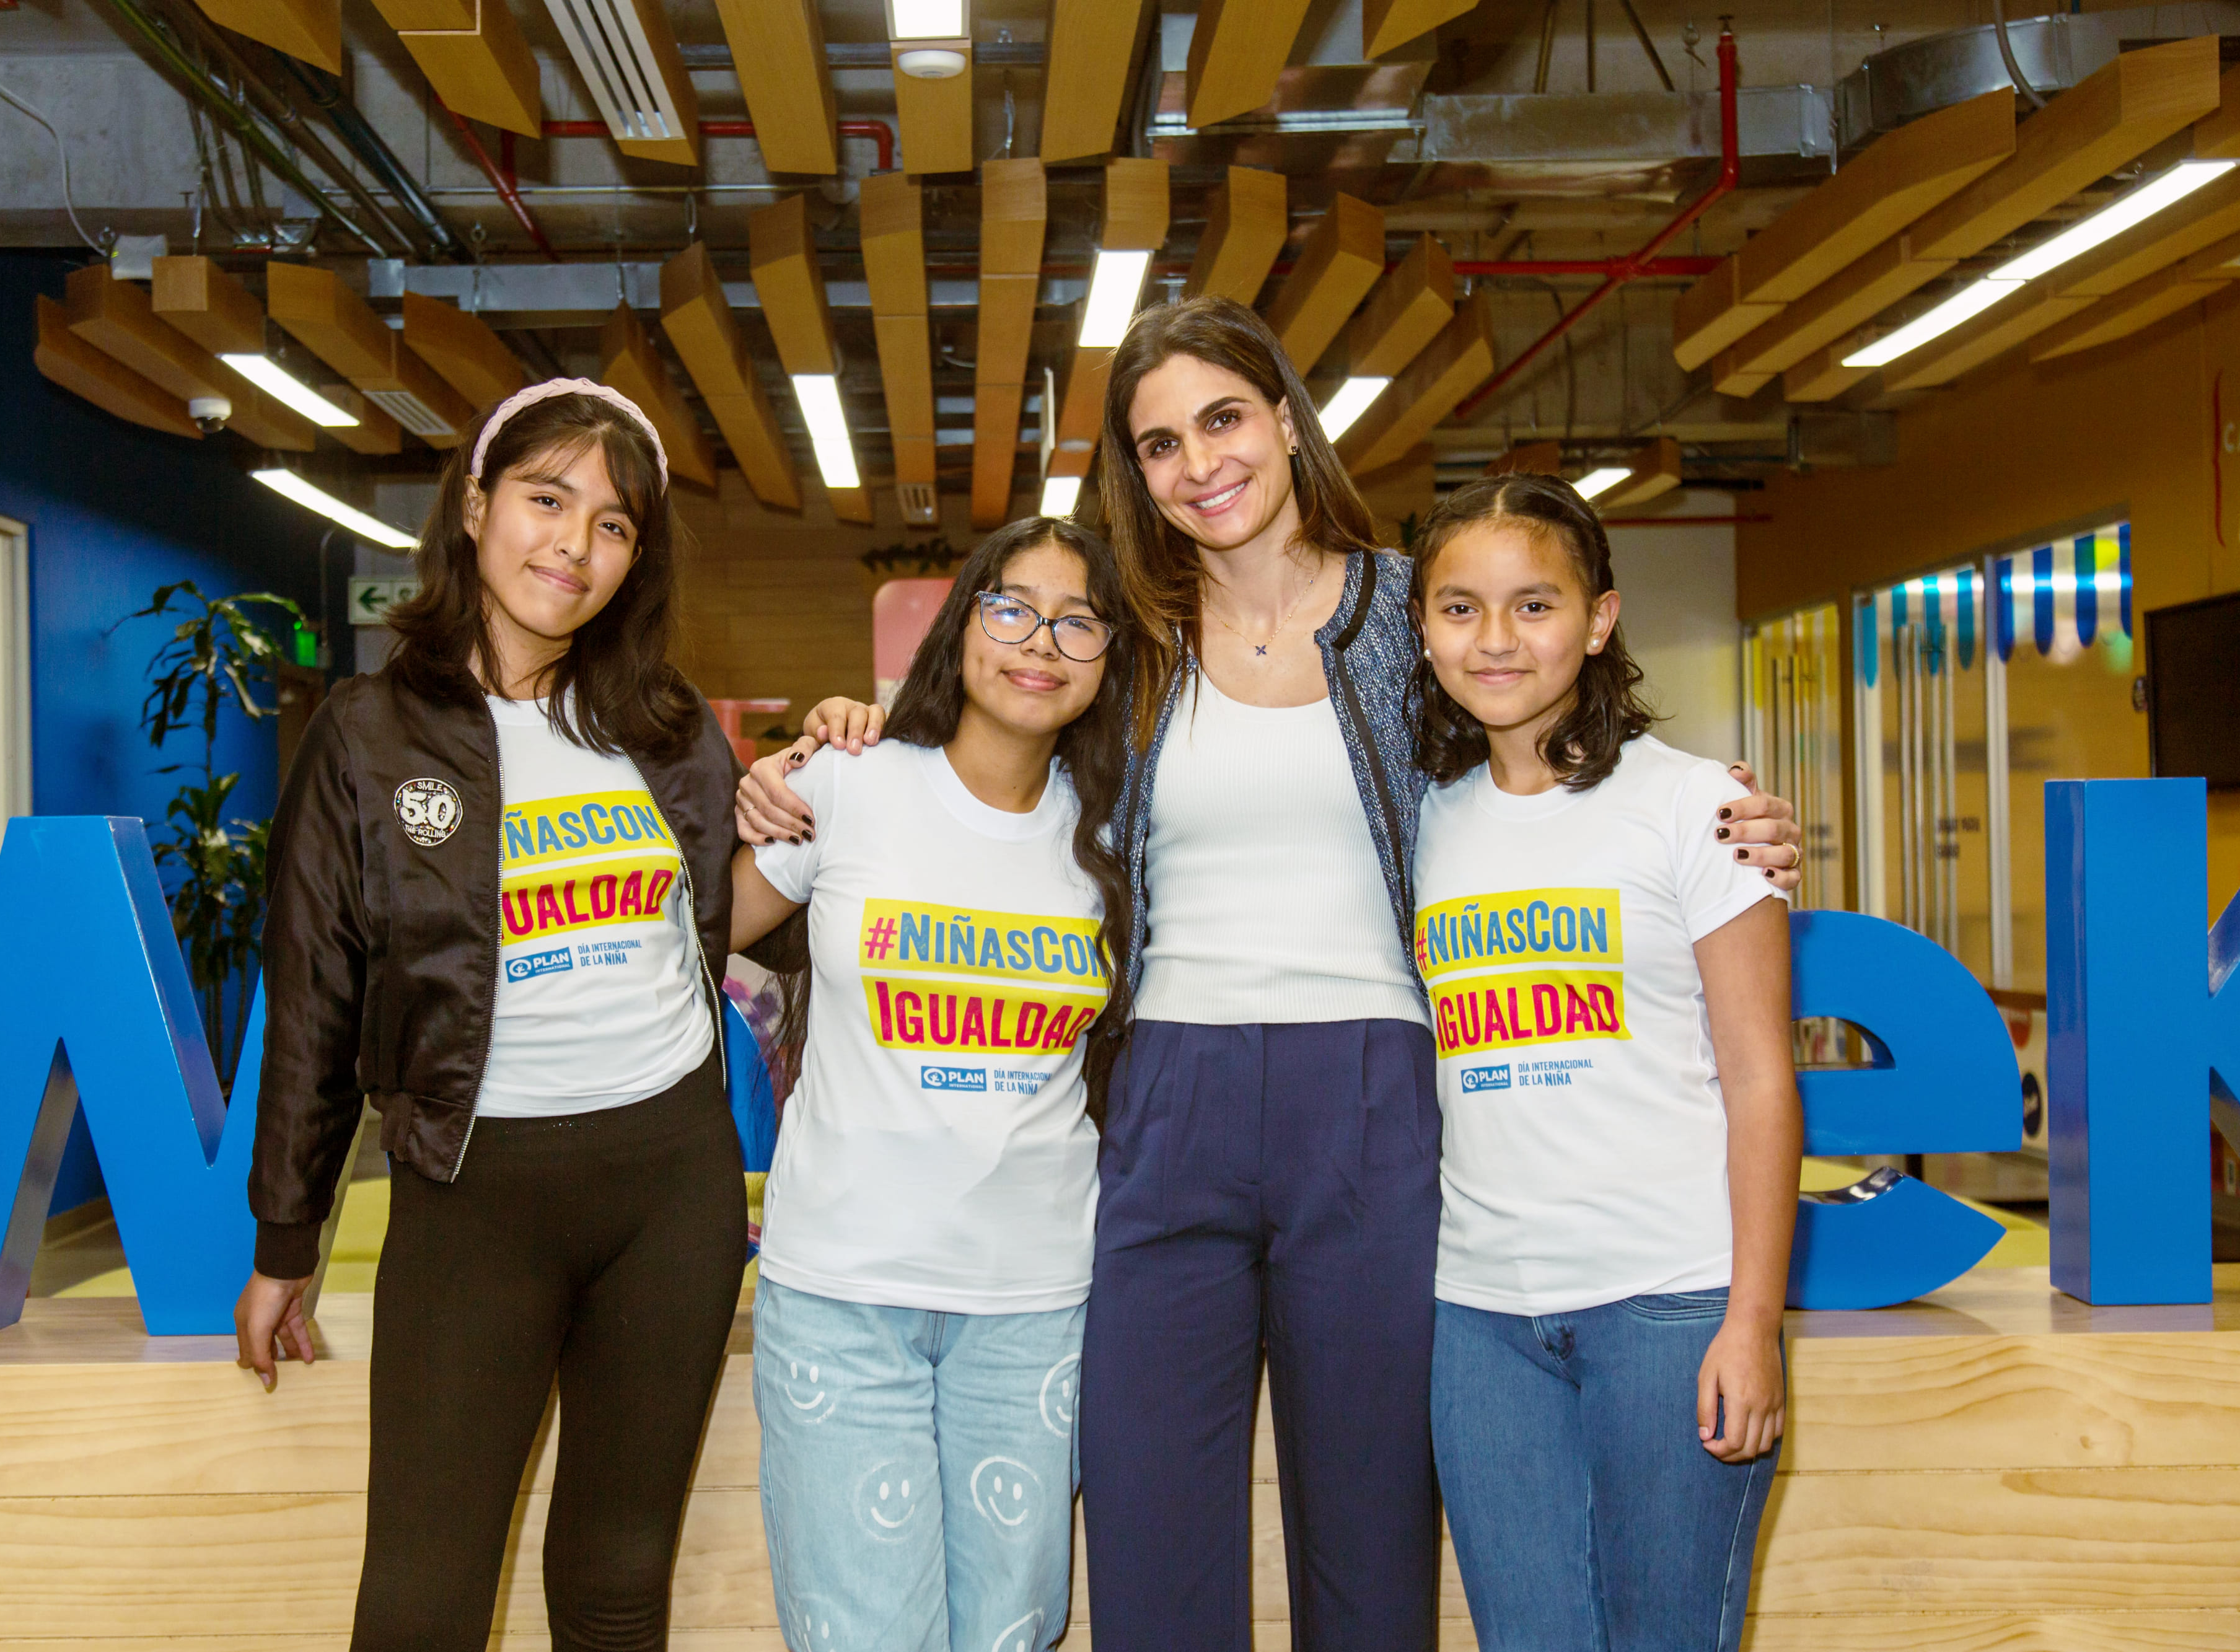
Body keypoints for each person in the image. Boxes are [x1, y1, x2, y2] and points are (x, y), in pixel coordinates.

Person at [740, 296, 1804, 1651]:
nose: (1200, 463)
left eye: (1223, 419)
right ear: (1138, 475)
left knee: (1366, 1526)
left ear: (1287, 423)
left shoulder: (1400, 613)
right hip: (1166, 1093)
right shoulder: (1128, 632)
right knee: (1147, 1520)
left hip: (1366, 1092)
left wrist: (1724, 822)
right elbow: (1000, 717)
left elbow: (1541, 750)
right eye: (1160, 443)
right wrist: (850, 728)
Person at [234, 378, 796, 1652]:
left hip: (671, 1190)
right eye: (548, 499)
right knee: (423, 1600)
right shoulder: (368, 737)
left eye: (612, 524)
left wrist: (824, 780)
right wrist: (285, 1239)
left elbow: (710, 926)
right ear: (477, 507)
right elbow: (316, 996)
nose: (574, 544)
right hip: (472, 1189)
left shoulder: (664, 731)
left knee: (612, 1586)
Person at [1407, 471, 1799, 1651]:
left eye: (1535, 604)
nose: (1496, 639)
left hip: (1670, 1307)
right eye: (1460, 607)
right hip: (1481, 1323)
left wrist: (1753, 1318)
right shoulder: (1419, 821)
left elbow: (1764, 1080)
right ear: (1422, 627)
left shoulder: (1696, 807)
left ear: (1601, 618)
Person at [726, 517, 1132, 1652]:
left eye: (1079, 621)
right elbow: (685, 934)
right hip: (841, 1291)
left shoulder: (1117, 836)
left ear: (1110, 659)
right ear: (961, 623)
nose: (1039, 641)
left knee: (1015, 1629)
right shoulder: (854, 785)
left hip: (1036, 1297)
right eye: (1011, 607)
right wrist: (751, 789)